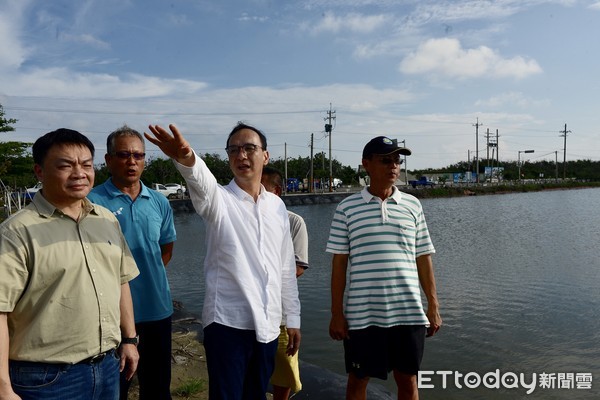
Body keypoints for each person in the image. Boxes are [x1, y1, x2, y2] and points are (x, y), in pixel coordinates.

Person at [144, 122, 301, 400]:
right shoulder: (220, 200)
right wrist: (186, 157)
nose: (241, 156)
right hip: (228, 324)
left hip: (268, 324)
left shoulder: (277, 206)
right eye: (234, 150)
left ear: (265, 155)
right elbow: (201, 182)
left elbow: (286, 267)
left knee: (256, 394)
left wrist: (292, 317)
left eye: (249, 148)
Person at [0, 128, 140, 400]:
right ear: (39, 172)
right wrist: (3, 387)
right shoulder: (16, 232)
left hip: (108, 367)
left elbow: (121, 281)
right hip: (45, 379)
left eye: (87, 165)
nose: (79, 173)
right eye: (65, 165)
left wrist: (130, 339)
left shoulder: (106, 219)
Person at [326, 136, 442, 400]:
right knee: (358, 379)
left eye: (397, 160)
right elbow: (339, 265)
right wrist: (336, 313)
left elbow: (423, 257)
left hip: (409, 313)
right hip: (363, 315)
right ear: (366, 164)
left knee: (408, 380)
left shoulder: (413, 205)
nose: (394, 166)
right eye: (385, 160)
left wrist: (433, 306)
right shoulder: (347, 208)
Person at [88, 125, 177, 400]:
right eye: (124, 154)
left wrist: (145, 278)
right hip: (110, 316)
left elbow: (166, 249)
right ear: (108, 160)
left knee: (157, 387)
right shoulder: (92, 201)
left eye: (138, 155)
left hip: (157, 310)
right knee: (115, 389)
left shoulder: (159, 201)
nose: (132, 161)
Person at [261, 166, 309, 400]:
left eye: (262, 187)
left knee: (284, 369)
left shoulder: (293, 222)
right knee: (253, 370)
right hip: (248, 314)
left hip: (280, 314)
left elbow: (298, 268)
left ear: (277, 191)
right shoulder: (242, 218)